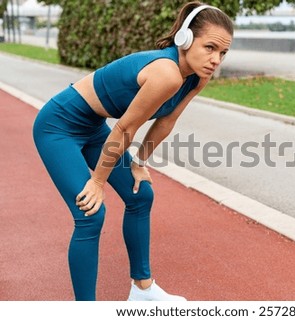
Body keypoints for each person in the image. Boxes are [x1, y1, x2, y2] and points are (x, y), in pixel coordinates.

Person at [32, 1, 233, 301]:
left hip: (93, 127)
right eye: (210, 47)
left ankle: (143, 288)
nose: (216, 59)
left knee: (141, 194)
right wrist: (97, 182)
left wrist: (139, 162)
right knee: (90, 212)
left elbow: (167, 121)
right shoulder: (166, 72)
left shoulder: (196, 78)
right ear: (185, 39)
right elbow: (125, 128)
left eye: (223, 53)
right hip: (58, 125)